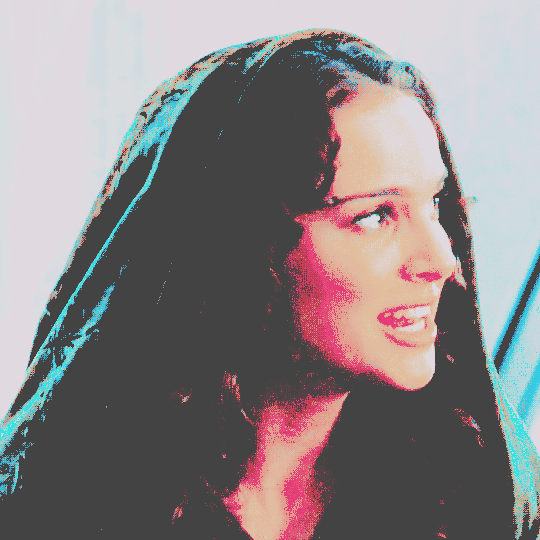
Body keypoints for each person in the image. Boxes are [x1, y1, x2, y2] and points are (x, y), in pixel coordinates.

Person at [0, 28, 539, 539]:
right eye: (375, 216)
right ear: (246, 241)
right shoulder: (55, 510)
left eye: (436, 204)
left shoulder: (485, 498)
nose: (441, 261)